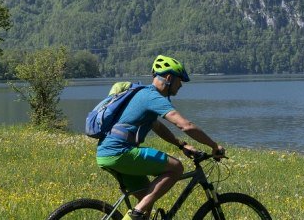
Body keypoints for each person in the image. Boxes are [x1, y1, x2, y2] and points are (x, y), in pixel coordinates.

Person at [96, 55, 226, 220]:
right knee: (176, 168)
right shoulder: (153, 97)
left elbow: (157, 126)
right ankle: (135, 214)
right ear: (169, 78)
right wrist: (214, 146)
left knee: (146, 202)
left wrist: (182, 145)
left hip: (107, 153)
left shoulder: (142, 94)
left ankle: (138, 212)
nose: (181, 86)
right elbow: (185, 125)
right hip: (120, 153)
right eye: (180, 81)